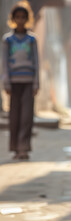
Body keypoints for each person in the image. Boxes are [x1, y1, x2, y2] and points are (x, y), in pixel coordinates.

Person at [2, 1, 38, 160]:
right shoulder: (8, 40)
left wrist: (37, 82)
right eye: (18, 17)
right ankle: (15, 148)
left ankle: (24, 147)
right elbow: (4, 62)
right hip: (13, 82)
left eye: (23, 17)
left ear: (27, 19)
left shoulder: (32, 39)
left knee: (27, 117)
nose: (20, 20)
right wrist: (6, 82)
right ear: (13, 19)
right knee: (14, 116)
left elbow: (37, 61)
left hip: (29, 81)